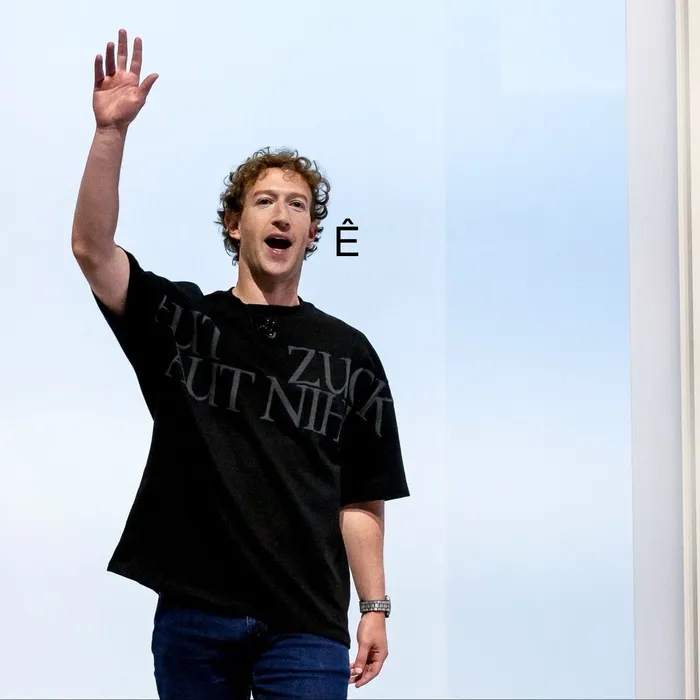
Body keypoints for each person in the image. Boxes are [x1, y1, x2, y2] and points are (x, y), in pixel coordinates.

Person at [71, 29, 410, 700]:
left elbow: (361, 493)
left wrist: (373, 606)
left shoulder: (350, 353)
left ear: (311, 232)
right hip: (196, 615)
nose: (281, 215)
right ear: (234, 224)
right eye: (264, 201)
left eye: (297, 205)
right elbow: (92, 250)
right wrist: (110, 134)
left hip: (306, 625)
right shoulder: (181, 322)